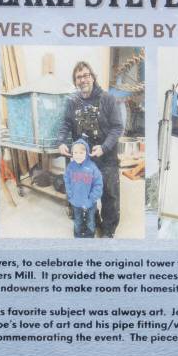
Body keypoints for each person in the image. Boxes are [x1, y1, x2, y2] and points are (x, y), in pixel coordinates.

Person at [57, 61, 124, 237]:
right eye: (78, 77)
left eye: (86, 75)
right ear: (75, 81)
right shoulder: (72, 102)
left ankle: (108, 230)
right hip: (83, 159)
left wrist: (104, 147)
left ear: (93, 77)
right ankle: (94, 223)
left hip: (106, 156)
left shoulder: (108, 99)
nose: (83, 80)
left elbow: (117, 127)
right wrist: (61, 141)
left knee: (109, 195)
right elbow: (66, 123)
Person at [63, 139, 103, 238]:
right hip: (75, 201)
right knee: (77, 220)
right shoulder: (70, 167)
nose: (78, 155)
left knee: (90, 220)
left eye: (81, 152)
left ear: (87, 153)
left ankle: (90, 235)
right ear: (72, 153)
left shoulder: (92, 167)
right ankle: (77, 235)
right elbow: (67, 180)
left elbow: (98, 184)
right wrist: (70, 194)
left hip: (90, 202)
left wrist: (92, 198)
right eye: (75, 152)